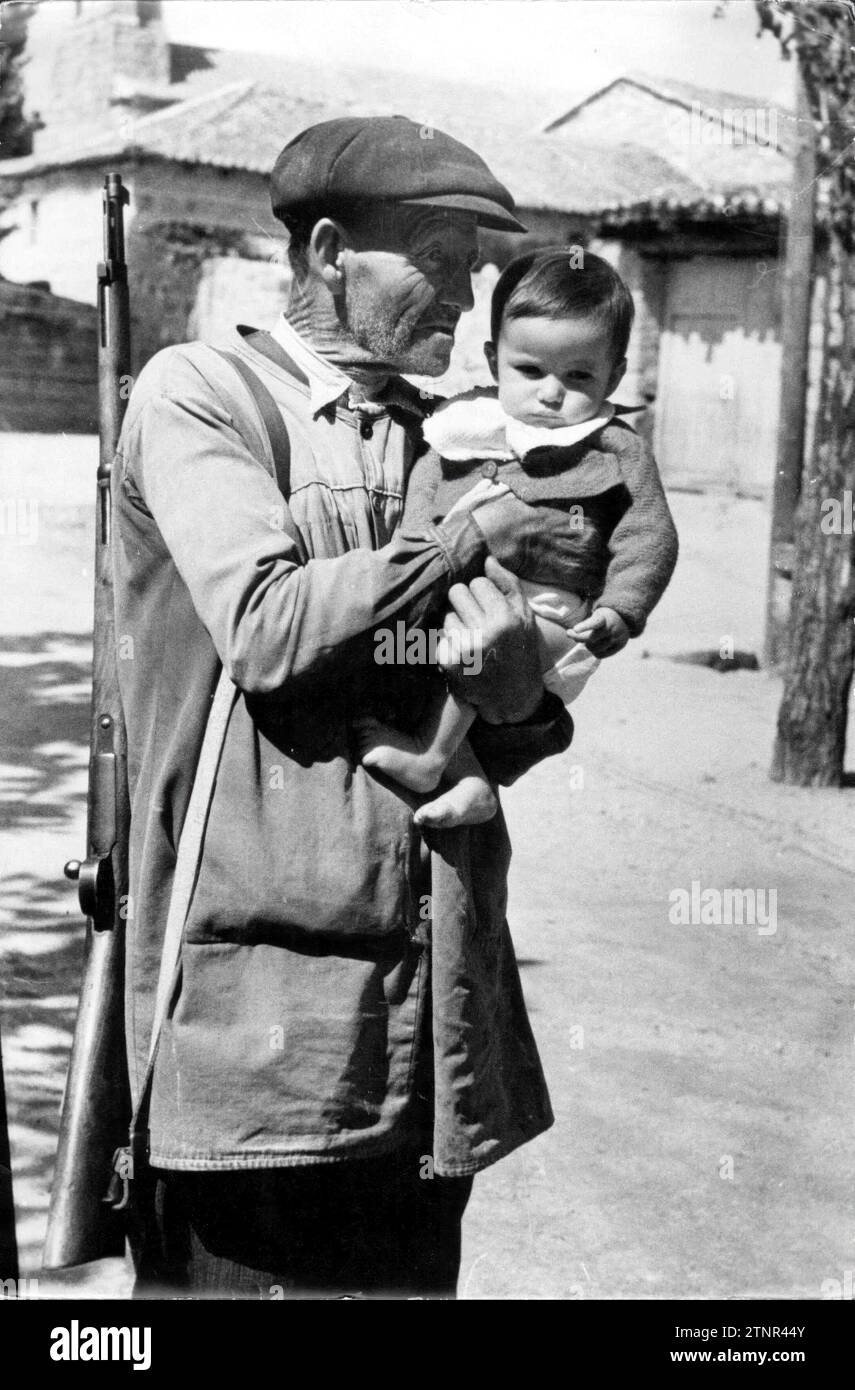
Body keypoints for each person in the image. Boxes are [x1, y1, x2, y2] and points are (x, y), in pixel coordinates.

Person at [112, 115, 595, 1299]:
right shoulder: (200, 397)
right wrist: (467, 534)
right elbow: (271, 630)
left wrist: (521, 692)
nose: (468, 291)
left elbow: (489, 705)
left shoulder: (437, 439)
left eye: (478, 264)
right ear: (331, 253)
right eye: (439, 254)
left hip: (429, 1019)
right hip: (263, 1033)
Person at [355, 248, 679, 828]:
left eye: (578, 376)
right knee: (418, 655)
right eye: (530, 371)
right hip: (468, 594)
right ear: (494, 359)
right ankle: (472, 782)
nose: (552, 394)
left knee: (473, 652)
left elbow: (647, 534)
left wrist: (622, 610)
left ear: (615, 375)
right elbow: (426, 491)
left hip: (553, 613)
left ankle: (432, 760)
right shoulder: (469, 426)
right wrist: (408, 561)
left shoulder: (616, 447)